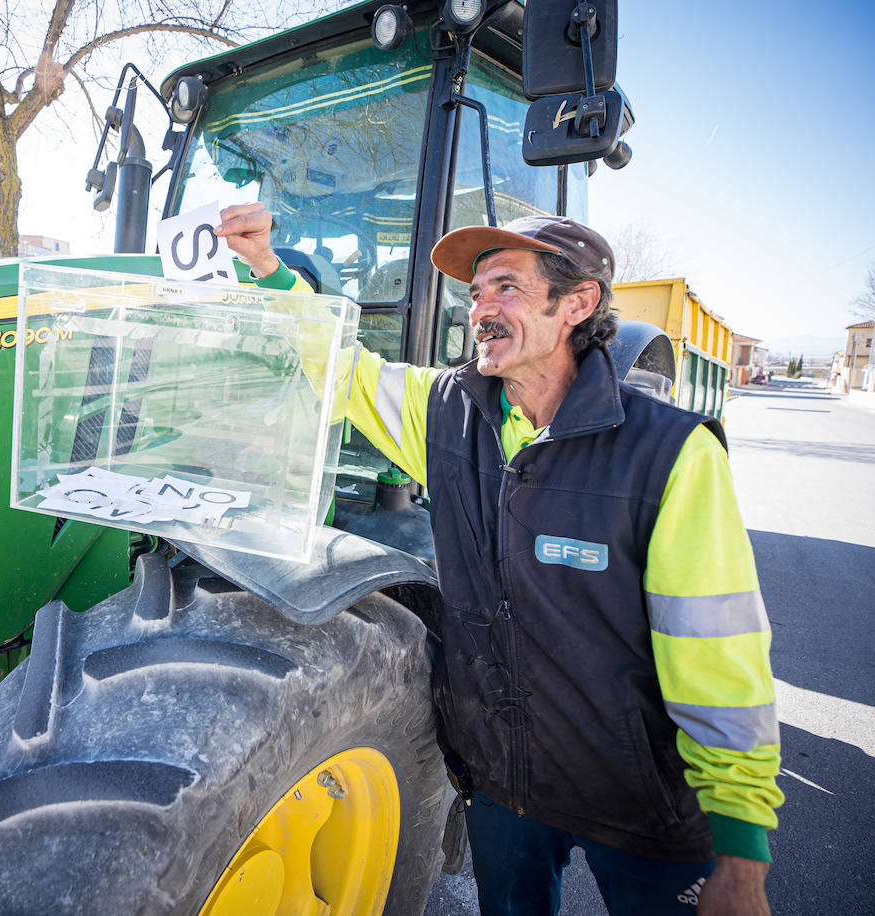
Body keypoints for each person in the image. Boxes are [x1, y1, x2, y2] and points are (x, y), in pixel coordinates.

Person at [215, 202, 783, 915]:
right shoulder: (446, 409)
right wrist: (268, 267)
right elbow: (342, 370)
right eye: (477, 291)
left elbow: (719, 656)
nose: (481, 307)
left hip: (643, 800)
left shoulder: (669, 454)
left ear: (577, 302)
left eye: (506, 287)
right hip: (505, 790)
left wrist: (741, 851)